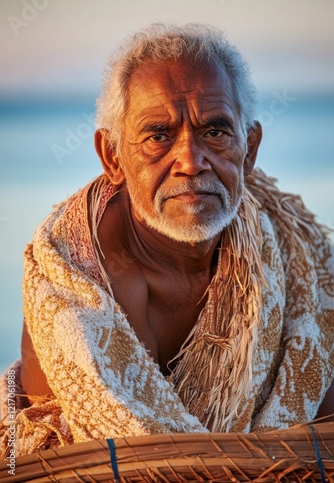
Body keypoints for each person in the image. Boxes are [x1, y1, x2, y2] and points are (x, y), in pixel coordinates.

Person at [1, 23, 333, 457]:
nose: (191, 163)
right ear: (112, 157)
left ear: (249, 149)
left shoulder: (294, 253)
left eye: (215, 132)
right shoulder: (77, 289)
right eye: (158, 135)